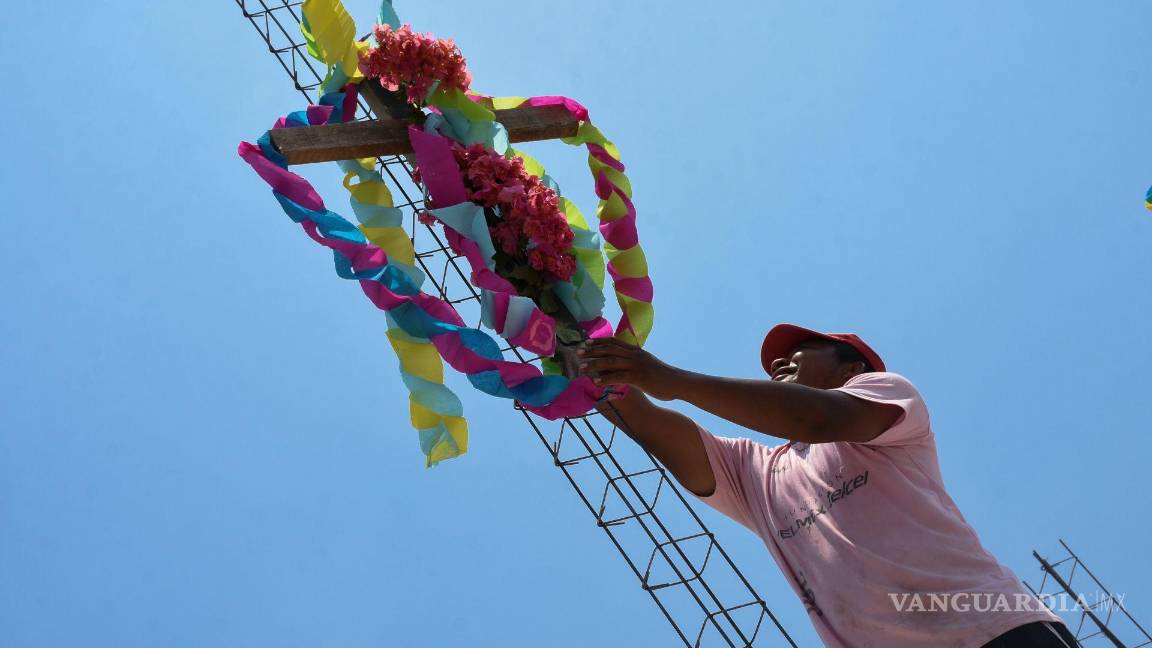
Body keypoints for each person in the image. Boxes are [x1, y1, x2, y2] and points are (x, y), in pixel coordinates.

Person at [574, 323, 1077, 648]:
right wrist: (579, 354)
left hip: (996, 633)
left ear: (852, 368)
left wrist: (674, 380)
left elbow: (818, 418)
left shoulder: (887, 398)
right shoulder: (756, 472)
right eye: (775, 362)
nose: (777, 364)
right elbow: (651, 424)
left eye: (800, 351)